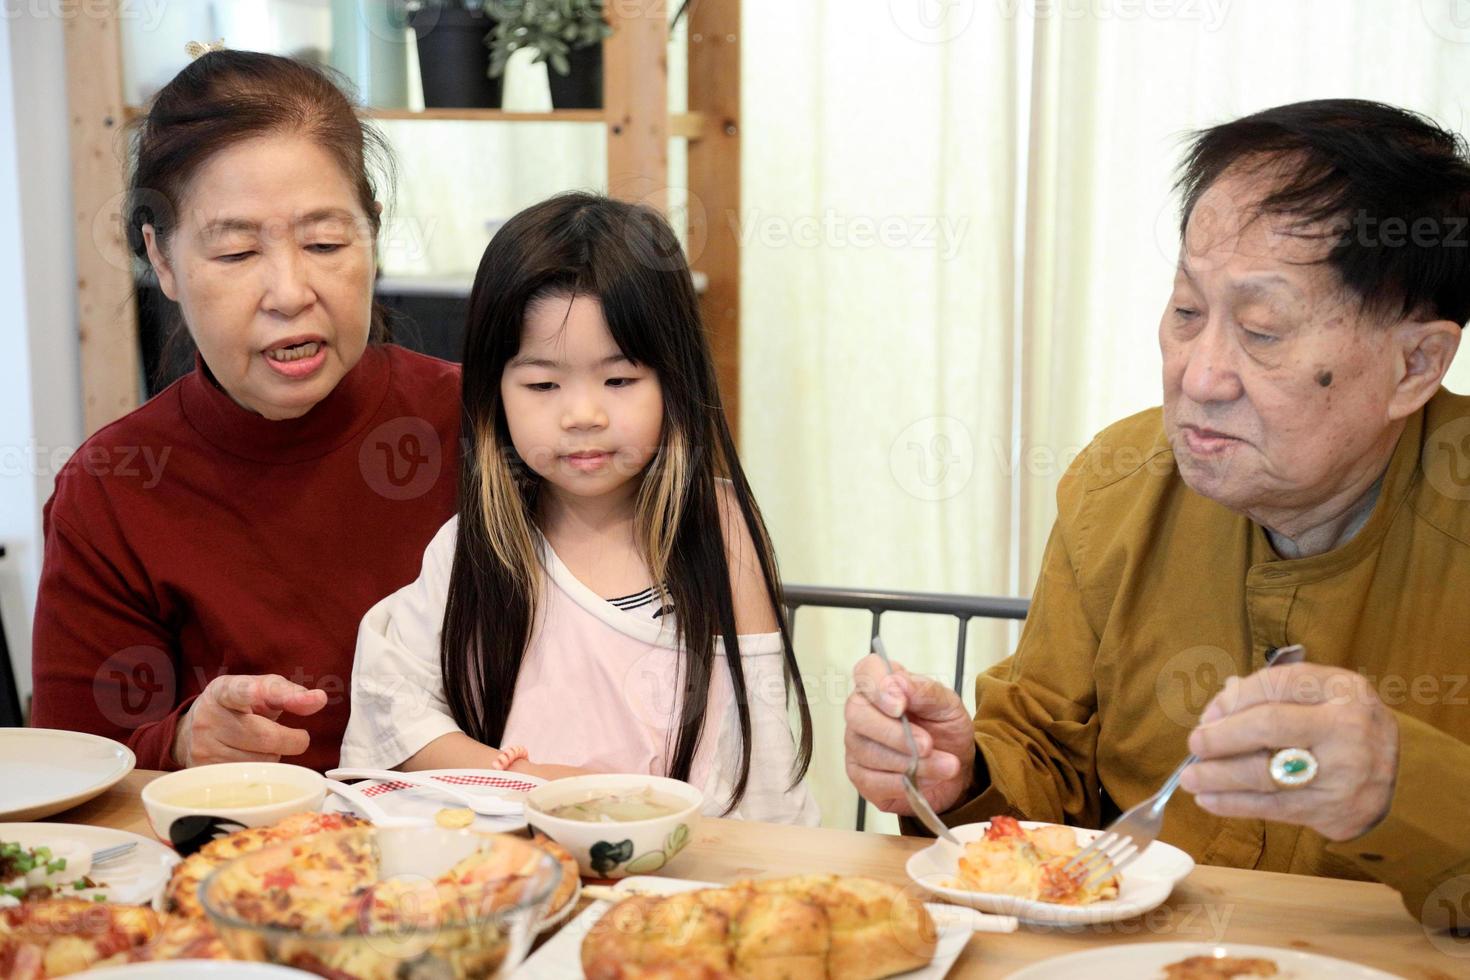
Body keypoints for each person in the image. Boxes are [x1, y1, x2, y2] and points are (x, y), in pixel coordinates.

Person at [844, 99, 1470, 927]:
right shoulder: (1123, 480)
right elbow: (1048, 759)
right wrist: (962, 771)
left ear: (1415, 363)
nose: (1199, 375)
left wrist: (1402, 785)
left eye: (1262, 329)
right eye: (1185, 313)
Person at [30, 50, 461, 772]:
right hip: (239, 868)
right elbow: (69, 768)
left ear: (373, 233)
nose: (289, 291)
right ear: (161, 261)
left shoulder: (483, 420)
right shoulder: (112, 487)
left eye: (325, 242)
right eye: (235, 252)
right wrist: (181, 740)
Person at [342, 193, 819, 822]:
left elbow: (759, 771)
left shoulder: (720, 532)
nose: (583, 416)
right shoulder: (476, 543)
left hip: (681, 878)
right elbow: (391, 706)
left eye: (619, 380)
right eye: (542, 385)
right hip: (510, 872)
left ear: (676, 381)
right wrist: (524, 780)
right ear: (493, 394)